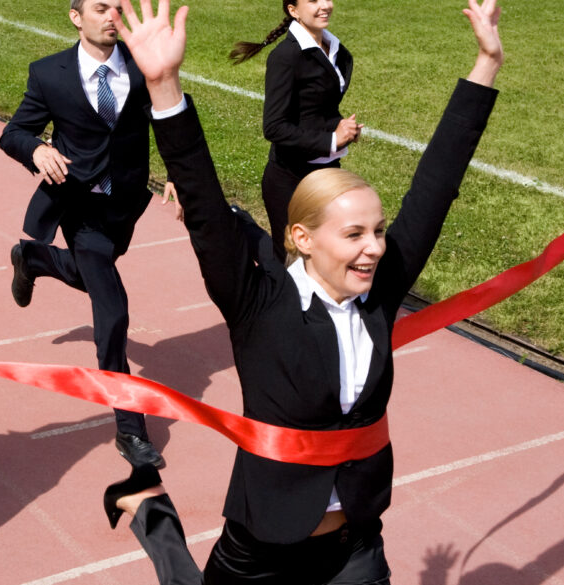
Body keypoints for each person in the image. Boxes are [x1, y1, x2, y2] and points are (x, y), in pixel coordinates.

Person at [101, 0, 505, 583]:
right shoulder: (257, 299)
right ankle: (153, 512)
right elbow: (205, 204)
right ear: (302, 238)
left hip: (356, 545)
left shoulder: (379, 294)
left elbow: (438, 182)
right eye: (354, 234)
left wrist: (486, 63)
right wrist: (163, 85)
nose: (375, 247)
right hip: (262, 540)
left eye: (379, 231)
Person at [0, 0, 180, 469]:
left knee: (88, 274)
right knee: (113, 307)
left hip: (123, 208)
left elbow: (168, 118)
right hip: (77, 208)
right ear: (76, 16)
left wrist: (181, 170)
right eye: (102, 7)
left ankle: (34, 259)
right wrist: (36, 151)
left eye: (119, 8)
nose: (112, 16)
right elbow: (14, 132)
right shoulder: (49, 73)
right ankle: (130, 429)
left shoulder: (142, 67)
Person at [230, 0, 363, 263]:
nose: (325, 5)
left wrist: (341, 129)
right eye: (313, 1)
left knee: (326, 258)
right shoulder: (286, 57)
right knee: (293, 266)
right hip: (290, 180)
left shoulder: (336, 49)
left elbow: (319, 107)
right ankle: (243, 227)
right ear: (293, 10)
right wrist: (332, 138)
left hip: (327, 173)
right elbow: (274, 126)